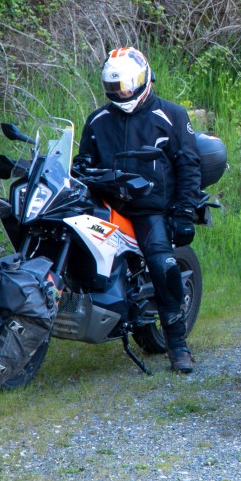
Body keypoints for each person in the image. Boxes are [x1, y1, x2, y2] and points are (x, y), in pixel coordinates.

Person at [77, 47, 203, 372]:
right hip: (105, 204)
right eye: (115, 87)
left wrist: (184, 213)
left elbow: (189, 166)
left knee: (163, 265)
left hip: (150, 209)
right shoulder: (98, 120)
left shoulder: (171, 115)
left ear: (144, 78)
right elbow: (82, 164)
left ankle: (177, 346)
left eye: (128, 85)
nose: (123, 93)